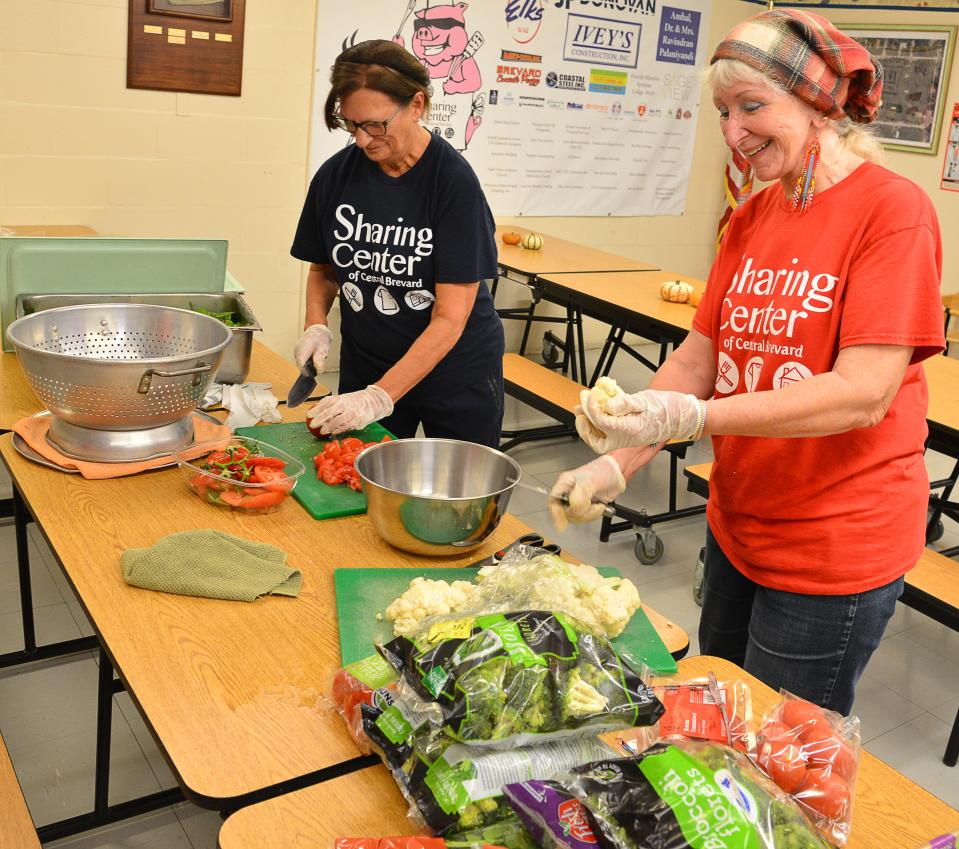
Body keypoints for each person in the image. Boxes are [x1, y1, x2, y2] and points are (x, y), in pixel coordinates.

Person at [549, 9, 945, 715]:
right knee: (716, 717)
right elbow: (700, 358)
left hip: (831, 550)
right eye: (722, 112)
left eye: (751, 107)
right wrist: (618, 459)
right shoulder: (752, 217)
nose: (732, 133)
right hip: (737, 524)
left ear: (820, 105)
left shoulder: (892, 211)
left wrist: (695, 417)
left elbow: (862, 394)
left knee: (776, 758)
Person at [291, 39, 505, 447]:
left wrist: (380, 397)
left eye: (374, 124)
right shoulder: (336, 177)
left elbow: (450, 318)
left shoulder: (452, 184)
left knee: (456, 496)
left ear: (417, 105)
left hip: (454, 371)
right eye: (350, 124)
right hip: (368, 363)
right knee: (360, 488)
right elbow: (323, 269)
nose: (361, 140)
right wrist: (315, 323)